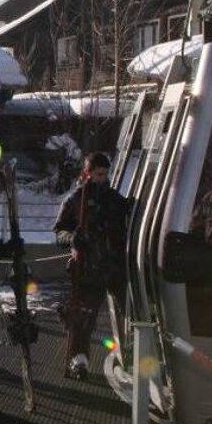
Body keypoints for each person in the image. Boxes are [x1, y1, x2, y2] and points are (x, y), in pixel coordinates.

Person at [53, 151, 130, 380]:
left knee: (129, 313)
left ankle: (133, 354)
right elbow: (59, 231)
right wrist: (72, 238)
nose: (102, 178)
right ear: (87, 173)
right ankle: (79, 360)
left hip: (115, 267)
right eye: (98, 174)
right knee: (84, 318)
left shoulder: (116, 200)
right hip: (87, 269)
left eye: (106, 174)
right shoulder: (75, 200)